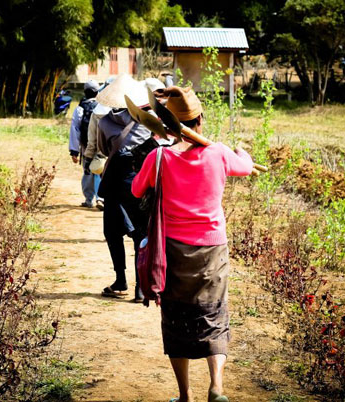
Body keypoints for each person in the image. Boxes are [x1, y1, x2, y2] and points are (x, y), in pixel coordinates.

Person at [131, 86, 257, 402]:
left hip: (172, 252)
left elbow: (135, 190)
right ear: (200, 119)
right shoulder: (219, 153)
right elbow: (244, 165)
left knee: (175, 318)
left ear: (166, 124)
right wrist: (239, 150)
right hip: (213, 251)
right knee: (214, 313)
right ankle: (216, 387)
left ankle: (185, 395)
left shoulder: (158, 157)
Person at [94, 74, 152, 302]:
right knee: (140, 234)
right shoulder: (147, 120)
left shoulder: (104, 122)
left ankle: (120, 281)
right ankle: (140, 288)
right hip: (140, 183)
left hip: (114, 183)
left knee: (112, 233)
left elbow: (103, 149)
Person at [68, 80, 102, 208]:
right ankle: (101, 198)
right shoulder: (102, 107)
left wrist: (74, 151)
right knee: (100, 170)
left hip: (85, 146)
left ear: (85, 92)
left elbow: (75, 130)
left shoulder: (79, 108)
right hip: (100, 146)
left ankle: (88, 200)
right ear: (97, 92)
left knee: (87, 171)